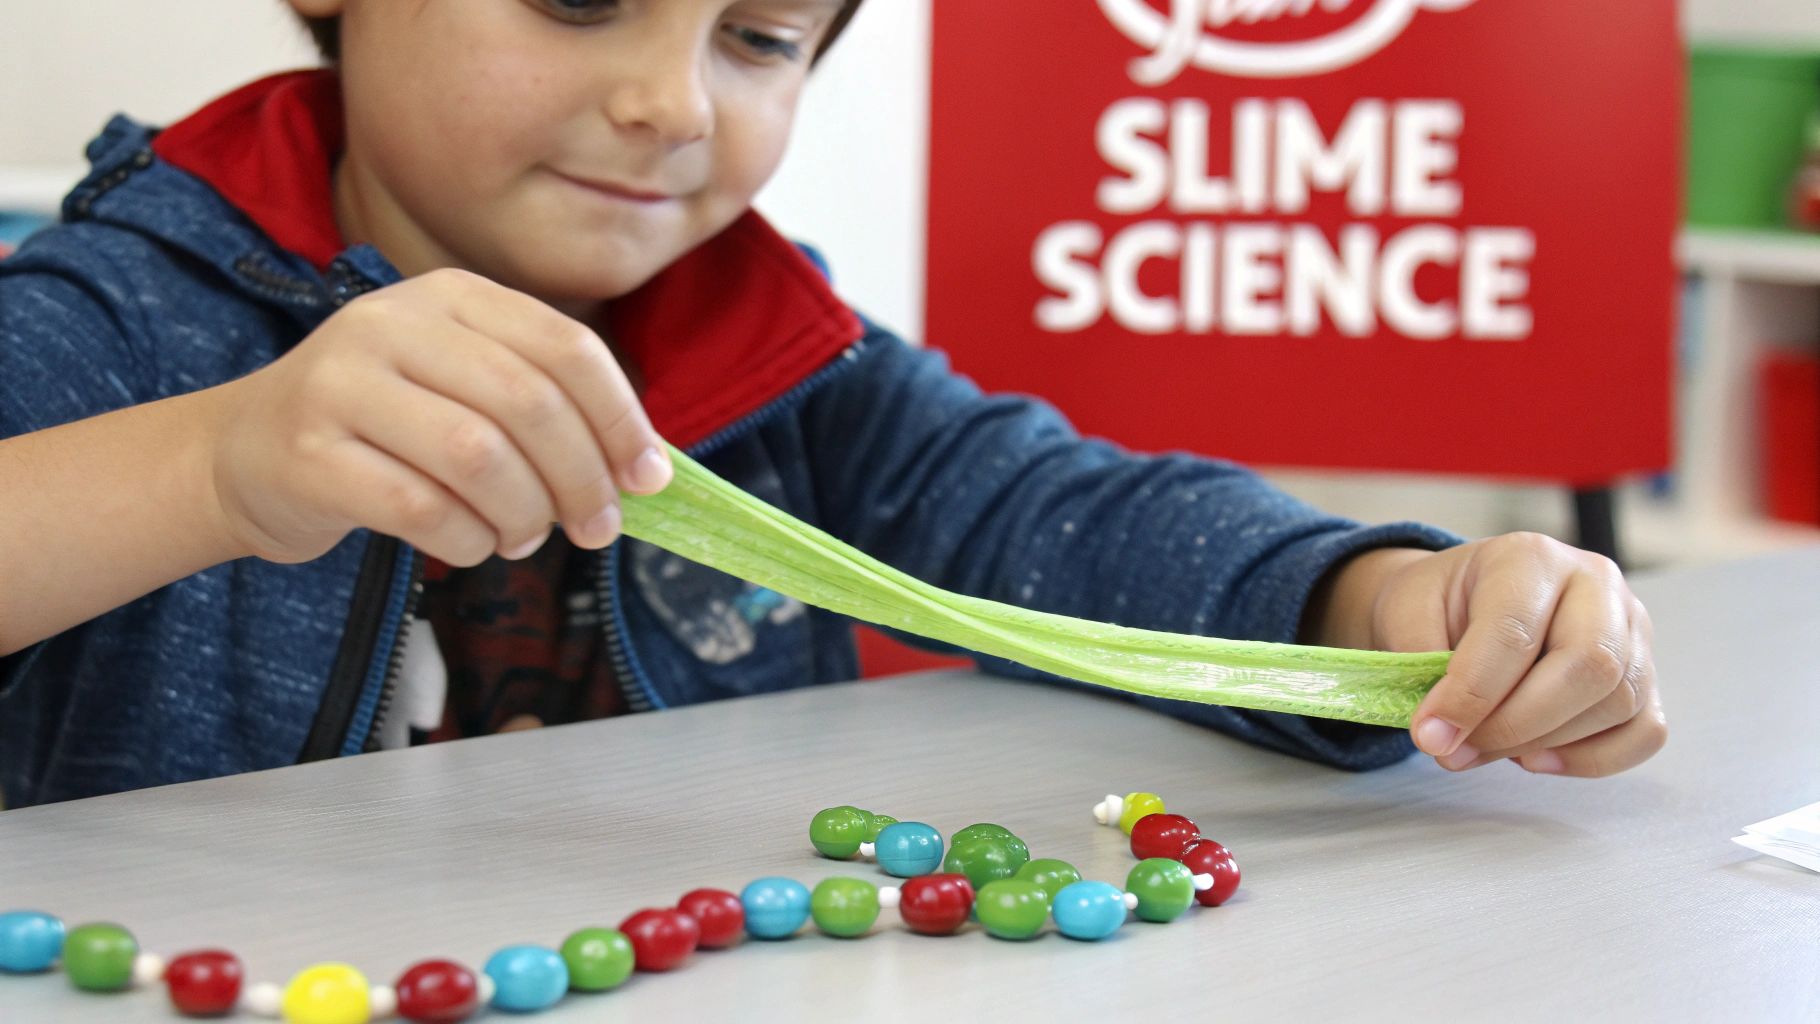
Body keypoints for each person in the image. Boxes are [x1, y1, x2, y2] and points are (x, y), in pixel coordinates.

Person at [0, 0, 1664, 807]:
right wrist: (213, 465)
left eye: (758, 36)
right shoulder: (121, 312)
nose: (668, 102)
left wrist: (1387, 599)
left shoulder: (789, 370)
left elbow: (1068, 520)